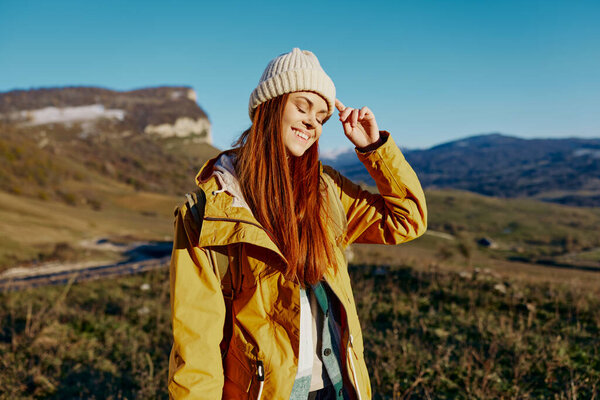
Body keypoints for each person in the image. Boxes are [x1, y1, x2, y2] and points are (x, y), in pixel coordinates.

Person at [168, 48, 427, 400]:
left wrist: (374, 148)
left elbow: (407, 220)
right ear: (269, 106)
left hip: (339, 388)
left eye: (321, 117)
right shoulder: (210, 211)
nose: (312, 123)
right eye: (302, 107)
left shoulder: (326, 191)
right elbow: (196, 342)